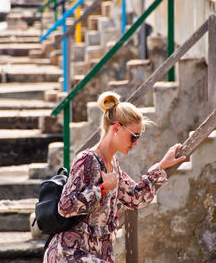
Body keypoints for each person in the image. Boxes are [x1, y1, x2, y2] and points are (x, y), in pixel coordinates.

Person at [44, 92, 186, 262]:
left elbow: (134, 198)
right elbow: (65, 206)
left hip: (95, 255)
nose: (135, 143)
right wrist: (102, 189)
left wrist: (162, 166)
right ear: (116, 128)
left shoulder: (113, 164)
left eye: (138, 137)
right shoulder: (87, 160)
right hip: (69, 254)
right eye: (134, 136)